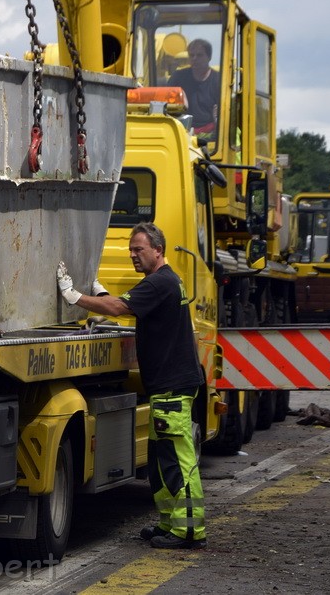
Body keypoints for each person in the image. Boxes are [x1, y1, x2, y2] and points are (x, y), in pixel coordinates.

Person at [56, 222, 207, 549]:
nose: (133, 256)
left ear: (158, 250)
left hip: (172, 387)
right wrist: (98, 292)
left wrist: (74, 296)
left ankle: (189, 531)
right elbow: (123, 303)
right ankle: (170, 524)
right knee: (160, 460)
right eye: (130, 251)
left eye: (139, 250)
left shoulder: (160, 283)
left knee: (177, 462)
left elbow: (120, 308)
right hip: (169, 387)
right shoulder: (164, 282)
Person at [168, 38, 221, 135]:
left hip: (210, 136)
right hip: (180, 131)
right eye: (191, 55)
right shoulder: (178, 77)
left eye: (199, 55)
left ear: (209, 57)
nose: (194, 59)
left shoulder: (219, 80)